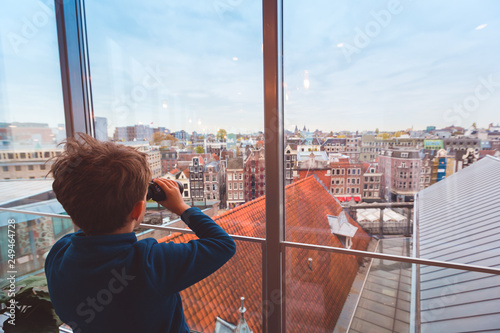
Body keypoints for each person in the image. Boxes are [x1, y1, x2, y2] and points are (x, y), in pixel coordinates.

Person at [45, 133, 236, 333]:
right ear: (138, 210)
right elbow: (223, 245)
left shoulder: (58, 255)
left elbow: (89, 223)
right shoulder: (148, 263)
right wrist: (181, 207)